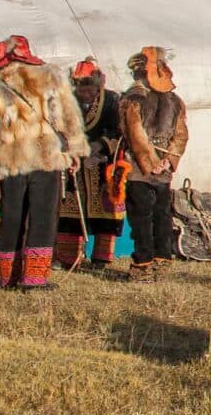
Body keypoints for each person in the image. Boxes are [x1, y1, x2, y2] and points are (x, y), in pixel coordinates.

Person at [0, 34, 85, 290]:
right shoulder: (49, 77)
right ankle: (34, 280)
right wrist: (73, 151)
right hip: (43, 156)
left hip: (10, 159)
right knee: (43, 216)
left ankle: (8, 277)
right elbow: (66, 118)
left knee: (11, 217)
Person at [119, 45, 188, 279]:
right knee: (162, 214)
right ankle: (163, 260)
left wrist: (153, 162)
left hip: (140, 169)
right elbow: (181, 135)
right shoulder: (176, 100)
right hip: (163, 169)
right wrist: (168, 160)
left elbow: (135, 134)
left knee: (142, 216)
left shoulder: (134, 99)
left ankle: (143, 264)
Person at [55, 58, 129, 270]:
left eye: (88, 86)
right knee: (70, 212)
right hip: (74, 164)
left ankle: (101, 259)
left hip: (102, 163)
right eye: (79, 85)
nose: (83, 91)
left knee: (105, 212)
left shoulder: (111, 100)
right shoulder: (67, 101)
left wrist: (101, 145)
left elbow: (119, 130)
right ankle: (70, 258)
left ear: (98, 85)